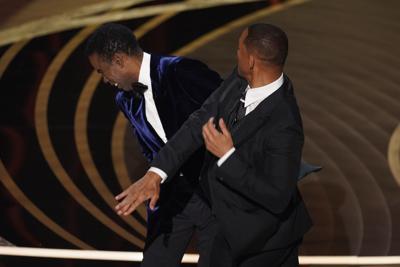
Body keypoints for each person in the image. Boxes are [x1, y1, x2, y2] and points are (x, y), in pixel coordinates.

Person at [115, 23, 314, 267]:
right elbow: (199, 120)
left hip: (265, 244)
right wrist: (157, 173)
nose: (236, 53)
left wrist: (227, 156)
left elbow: (276, 196)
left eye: (239, 49)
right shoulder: (240, 80)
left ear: (251, 60)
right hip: (227, 230)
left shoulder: (285, 124)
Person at [85, 23, 223, 267]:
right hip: (171, 196)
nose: (104, 80)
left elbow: (230, 113)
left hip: (215, 194)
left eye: (101, 71)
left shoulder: (180, 71)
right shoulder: (124, 99)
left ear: (118, 60)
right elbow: (150, 149)